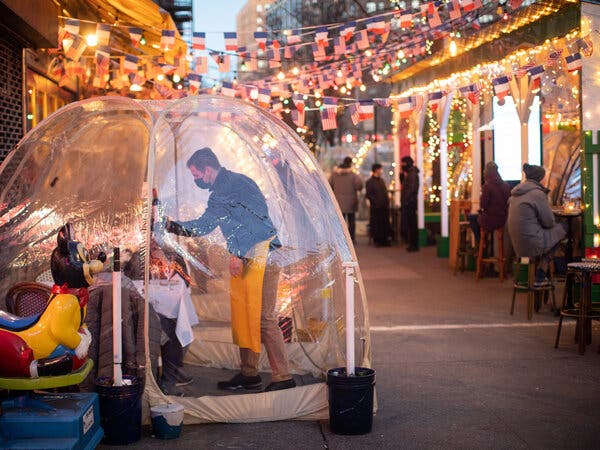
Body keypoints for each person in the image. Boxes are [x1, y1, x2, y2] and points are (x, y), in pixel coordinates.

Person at [164, 147, 295, 392]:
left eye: (197, 175)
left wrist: (238, 252)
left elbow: (257, 220)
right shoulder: (218, 194)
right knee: (245, 314)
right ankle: (249, 373)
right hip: (247, 257)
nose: (196, 180)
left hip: (262, 254)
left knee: (264, 317)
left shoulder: (239, 184)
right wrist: (170, 225)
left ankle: (284, 377)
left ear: (208, 169)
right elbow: (203, 226)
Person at [507, 163, 566, 287]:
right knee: (563, 229)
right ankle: (540, 274)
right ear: (540, 178)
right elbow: (549, 222)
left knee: (549, 236)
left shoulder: (516, 193)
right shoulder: (537, 194)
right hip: (532, 243)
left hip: (518, 245)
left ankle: (539, 274)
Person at [468, 161, 511, 244]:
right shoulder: (506, 185)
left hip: (491, 220)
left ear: (487, 172)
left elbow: (483, 205)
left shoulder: (487, 187)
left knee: (472, 218)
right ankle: (484, 243)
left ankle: (481, 245)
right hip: (504, 219)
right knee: (479, 218)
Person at [329, 156, 363, 243]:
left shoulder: (334, 175)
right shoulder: (353, 175)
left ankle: (341, 239)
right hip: (351, 202)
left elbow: (329, 186)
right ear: (350, 163)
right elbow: (359, 186)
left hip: (338, 202)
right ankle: (351, 239)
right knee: (351, 221)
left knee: (341, 222)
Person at [365, 163, 392, 246]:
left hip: (384, 206)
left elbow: (385, 192)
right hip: (376, 207)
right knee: (377, 224)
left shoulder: (381, 180)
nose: (381, 171)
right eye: (380, 169)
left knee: (384, 223)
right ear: (376, 170)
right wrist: (376, 202)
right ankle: (378, 240)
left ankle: (384, 239)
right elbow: (369, 194)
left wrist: (387, 201)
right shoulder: (370, 182)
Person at [400, 156, 419, 252]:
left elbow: (411, 189)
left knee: (412, 224)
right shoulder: (410, 173)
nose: (402, 166)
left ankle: (414, 244)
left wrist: (406, 200)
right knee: (411, 224)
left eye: (403, 163)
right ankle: (412, 243)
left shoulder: (412, 174)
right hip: (409, 201)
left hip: (410, 202)